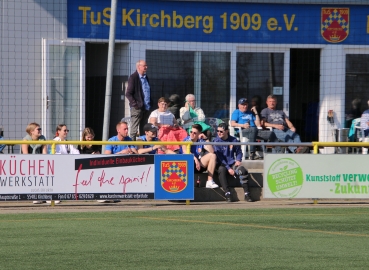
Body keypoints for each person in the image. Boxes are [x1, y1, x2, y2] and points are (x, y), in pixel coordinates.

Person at [213, 123, 253, 202]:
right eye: (217, 131)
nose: (219, 133)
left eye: (221, 131)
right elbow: (220, 158)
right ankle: (228, 193)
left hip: (232, 163)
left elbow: (239, 152)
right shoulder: (216, 141)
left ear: (227, 131)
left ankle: (247, 194)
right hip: (221, 164)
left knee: (243, 170)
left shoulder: (234, 140)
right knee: (222, 170)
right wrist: (228, 169)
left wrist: (238, 160)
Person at [181, 124, 219, 188]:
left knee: (213, 155)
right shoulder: (186, 140)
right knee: (190, 159)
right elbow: (185, 151)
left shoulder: (201, 141)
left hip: (198, 164)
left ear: (199, 134)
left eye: (195, 133)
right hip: (186, 164)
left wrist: (206, 139)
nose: (192, 134)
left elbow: (212, 151)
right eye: (191, 132)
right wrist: (195, 159)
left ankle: (209, 181)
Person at [21, 123, 47, 204]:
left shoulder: (42, 138)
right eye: (38, 129)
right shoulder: (25, 140)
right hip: (29, 163)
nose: (40, 131)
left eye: (40, 129)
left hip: (40, 161)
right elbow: (25, 155)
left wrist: (43, 164)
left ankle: (47, 196)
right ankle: (35, 196)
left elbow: (44, 153)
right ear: (32, 131)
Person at [125, 59, 152, 140]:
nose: (146, 67)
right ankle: (131, 147)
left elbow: (147, 91)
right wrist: (135, 105)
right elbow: (128, 93)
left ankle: (142, 147)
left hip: (146, 107)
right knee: (134, 129)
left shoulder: (146, 77)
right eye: (144, 66)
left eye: (146, 66)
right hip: (137, 108)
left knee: (144, 129)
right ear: (138, 67)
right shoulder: (133, 78)